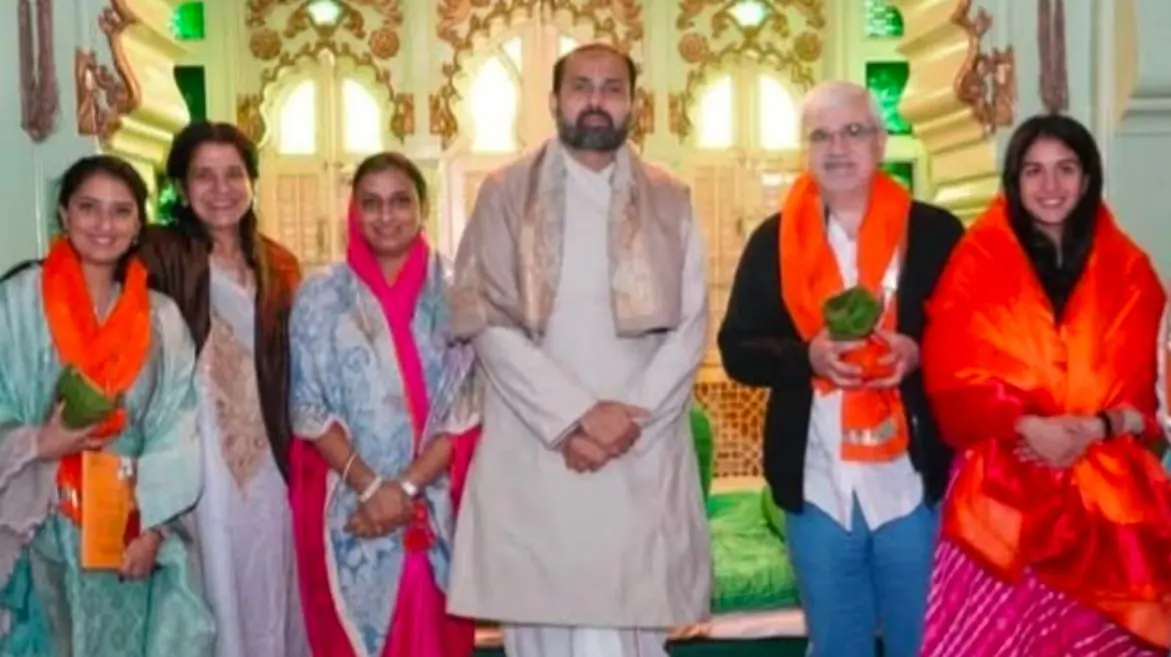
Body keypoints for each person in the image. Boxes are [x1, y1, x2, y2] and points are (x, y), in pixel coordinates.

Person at [447, 42, 711, 657]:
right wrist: (573, 418)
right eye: (582, 87)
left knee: (634, 631)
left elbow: (691, 325)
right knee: (544, 634)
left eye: (612, 88)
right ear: (555, 101)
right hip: (541, 453)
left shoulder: (671, 198)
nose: (596, 101)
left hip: (637, 456)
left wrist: (625, 422)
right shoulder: (505, 192)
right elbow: (485, 318)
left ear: (633, 104)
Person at [717, 81, 964, 657]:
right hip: (819, 484)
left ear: (879, 142)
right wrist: (806, 356)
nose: (838, 147)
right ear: (805, 150)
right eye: (821, 135)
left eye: (853, 131)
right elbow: (737, 349)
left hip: (912, 485)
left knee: (923, 644)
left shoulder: (935, 234)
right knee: (836, 645)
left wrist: (918, 352)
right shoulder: (774, 241)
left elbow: (977, 341)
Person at [919, 113, 1171, 655]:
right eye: (1033, 171)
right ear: (1014, 180)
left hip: (1104, 502)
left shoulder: (1131, 272)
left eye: (1065, 169)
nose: (1050, 187)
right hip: (1002, 491)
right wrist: (1026, 425)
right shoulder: (976, 263)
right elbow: (950, 377)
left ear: (1088, 178)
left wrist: (1095, 426)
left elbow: (1153, 399)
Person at [0, 155, 213, 655]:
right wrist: (39, 441)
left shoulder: (161, 320)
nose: (104, 225)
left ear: (138, 225)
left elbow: (175, 428)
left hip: (126, 526)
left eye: (120, 212)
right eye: (88, 208)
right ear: (63, 215)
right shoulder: (15, 306)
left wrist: (154, 532)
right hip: (40, 524)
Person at [287, 151, 480, 657]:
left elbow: (467, 407)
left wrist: (406, 488)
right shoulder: (321, 295)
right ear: (353, 209)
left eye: (400, 201)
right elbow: (307, 407)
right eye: (371, 203)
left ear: (423, 208)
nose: (386, 215)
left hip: (433, 505)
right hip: (351, 506)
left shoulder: (458, 290)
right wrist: (372, 488)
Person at [137, 121, 307, 657]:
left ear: (252, 181)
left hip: (271, 455)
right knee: (213, 584)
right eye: (203, 176)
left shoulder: (278, 265)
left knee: (272, 579)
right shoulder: (158, 253)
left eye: (234, 173)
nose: (221, 188)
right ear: (182, 189)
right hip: (199, 453)